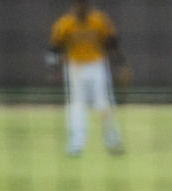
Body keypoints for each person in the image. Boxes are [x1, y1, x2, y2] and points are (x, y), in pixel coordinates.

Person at [47, 2, 126, 158]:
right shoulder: (65, 24)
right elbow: (54, 49)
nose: (81, 7)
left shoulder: (99, 21)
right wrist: (53, 69)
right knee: (77, 106)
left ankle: (113, 142)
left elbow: (113, 43)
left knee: (104, 104)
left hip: (98, 66)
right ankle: (75, 146)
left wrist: (121, 65)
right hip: (75, 67)